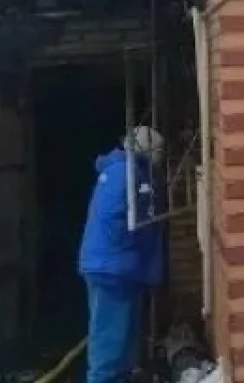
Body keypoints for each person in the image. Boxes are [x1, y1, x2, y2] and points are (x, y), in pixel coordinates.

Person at [79, 126, 165, 383]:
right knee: (110, 343)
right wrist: (149, 267)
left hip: (107, 264)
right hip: (114, 269)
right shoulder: (129, 175)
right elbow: (135, 227)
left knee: (118, 339)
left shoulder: (117, 170)